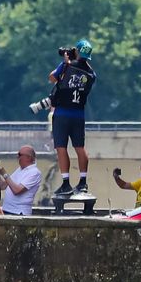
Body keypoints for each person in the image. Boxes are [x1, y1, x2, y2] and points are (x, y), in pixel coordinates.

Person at [47, 39, 97, 197]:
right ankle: (83, 182)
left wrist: (66, 62)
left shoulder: (68, 66)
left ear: (77, 51)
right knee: (80, 148)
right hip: (78, 114)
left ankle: (66, 183)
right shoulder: (91, 74)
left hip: (62, 113)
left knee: (61, 147)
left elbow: (52, 78)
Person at [0, 145, 43, 216]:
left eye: (20, 155)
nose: (17, 157)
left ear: (28, 157)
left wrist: (4, 174)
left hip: (19, 212)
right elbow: (2, 186)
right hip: (7, 210)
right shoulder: (20, 169)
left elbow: (17, 191)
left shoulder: (34, 172)